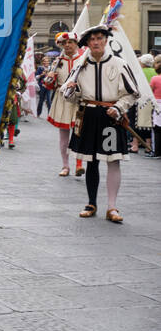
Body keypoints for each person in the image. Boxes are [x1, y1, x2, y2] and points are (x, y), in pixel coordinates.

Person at [66, 21, 138, 223]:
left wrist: (118, 108)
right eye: (92, 39)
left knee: (113, 160)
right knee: (91, 161)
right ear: (87, 43)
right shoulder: (81, 64)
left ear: (106, 41)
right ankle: (91, 203)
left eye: (99, 38)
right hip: (88, 115)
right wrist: (72, 90)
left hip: (111, 116)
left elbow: (133, 93)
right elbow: (69, 95)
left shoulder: (119, 64)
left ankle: (112, 207)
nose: (96, 42)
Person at [44, 30, 83, 176]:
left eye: (70, 42)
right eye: (64, 43)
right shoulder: (57, 62)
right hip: (62, 99)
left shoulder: (84, 60)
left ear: (76, 43)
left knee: (79, 133)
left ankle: (79, 164)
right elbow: (50, 86)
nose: (67, 45)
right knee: (63, 135)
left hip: (79, 99)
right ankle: (65, 166)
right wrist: (50, 78)